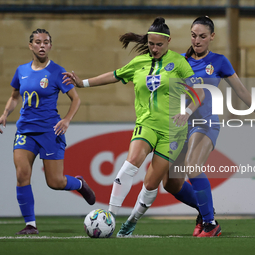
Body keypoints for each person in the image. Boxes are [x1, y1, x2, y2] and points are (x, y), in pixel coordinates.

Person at [62, 17, 205, 237]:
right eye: (151, 44)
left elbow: (200, 93)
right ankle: (110, 216)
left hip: (172, 131)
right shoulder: (139, 62)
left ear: (168, 42)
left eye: (159, 44)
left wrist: (186, 113)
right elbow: (114, 75)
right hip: (146, 124)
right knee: (130, 164)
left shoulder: (179, 63)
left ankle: (131, 221)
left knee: (151, 183)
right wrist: (84, 83)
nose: (154, 48)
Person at [162, 16, 255, 237]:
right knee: (170, 183)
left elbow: (241, 92)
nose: (197, 40)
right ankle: (205, 212)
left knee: (193, 167)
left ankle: (211, 224)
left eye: (203, 36)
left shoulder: (219, 62)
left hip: (205, 123)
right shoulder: (179, 60)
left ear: (212, 36)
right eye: (194, 35)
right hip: (181, 126)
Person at [0, 28, 96, 235]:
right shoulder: (21, 70)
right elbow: (15, 95)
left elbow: (76, 99)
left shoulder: (58, 72)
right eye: (38, 42)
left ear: (50, 46)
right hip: (25, 131)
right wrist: (5, 114)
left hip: (50, 132)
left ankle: (78, 183)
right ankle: (30, 225)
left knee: (55, 182)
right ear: (30, 45)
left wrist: (67, 120)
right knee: (22, 174)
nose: (42, 45)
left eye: (46, 42)